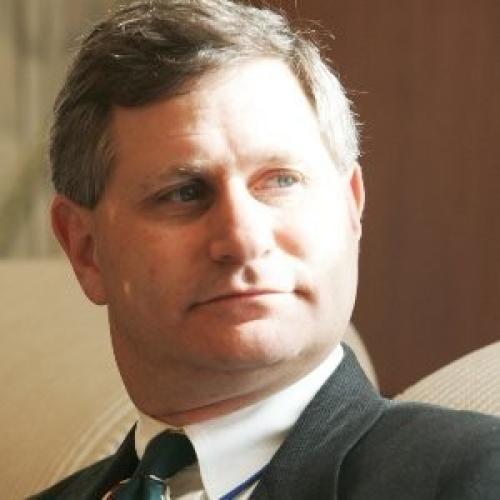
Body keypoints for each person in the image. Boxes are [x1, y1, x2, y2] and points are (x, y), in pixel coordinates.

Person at [34, 0, 500, 499]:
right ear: (85, 249)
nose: (243, 239)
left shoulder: (473, 475)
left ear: (350, 207)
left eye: (281, 181)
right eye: (184, 193)